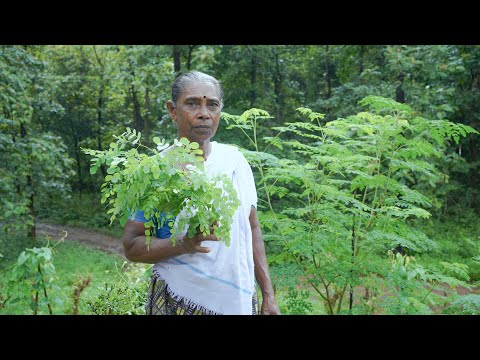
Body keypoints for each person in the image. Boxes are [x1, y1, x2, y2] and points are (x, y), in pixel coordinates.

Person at [123, 71, 280, 315]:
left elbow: (252, 228)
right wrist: (184, 244)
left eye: (212, 105)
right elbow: (132, 246)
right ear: (172, 110)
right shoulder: (157, 172)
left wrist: (268, 295)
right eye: (193, 103)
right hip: (178, 300)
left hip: (237, 301)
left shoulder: (235, 162)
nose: (204, 113)